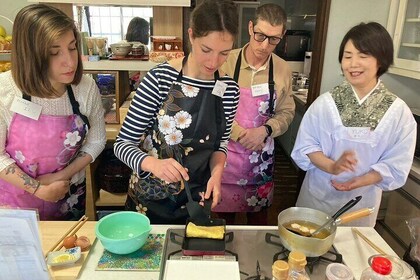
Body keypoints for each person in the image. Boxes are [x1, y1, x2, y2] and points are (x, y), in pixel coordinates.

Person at [114, 0, 240, 224]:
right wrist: (153, 164)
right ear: (191, 35)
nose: (214, 62)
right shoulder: (159, 79)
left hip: (197, 200)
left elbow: (219, 145)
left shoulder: (229, 90)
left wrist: (217, 174)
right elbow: (122, 145)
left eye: (224, 53)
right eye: (206, 50)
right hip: (149, 201)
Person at [291, 22, 417, 226]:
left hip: (360, 205)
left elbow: (396, 163)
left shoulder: (398, 113)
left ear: (381, 60)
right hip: (317, 199)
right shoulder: (325, 104)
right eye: (347, 56)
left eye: (363, 56)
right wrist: (332, 166)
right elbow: (307, 147)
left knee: (352, 253)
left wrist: (358, 181)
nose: (353, 63)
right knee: (308, 249)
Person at [0, 4, 106, 220]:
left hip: (66, 197)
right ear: (30, 55)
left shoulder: (85, 88)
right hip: (14, 205)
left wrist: (61, 176)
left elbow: (97, 141)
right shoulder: (5, 90)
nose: (69, 61)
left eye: (73, 47)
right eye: (54, 52)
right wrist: (38, 188)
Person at [213, 3, 295, 225]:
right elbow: (213, 108)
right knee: (222, 224)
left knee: (258, 224)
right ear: (250, 27)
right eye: (260, 36)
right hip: (225, 157)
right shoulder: (224, 61)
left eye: (274, 39)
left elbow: (287, 112)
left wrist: (266, 130)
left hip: (260, 161)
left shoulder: (282, 69)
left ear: (282, 35)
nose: (265, 45)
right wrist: (240, 134)